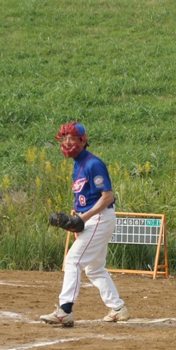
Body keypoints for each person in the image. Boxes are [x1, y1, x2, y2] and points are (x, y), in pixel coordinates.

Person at [41, 121, 130, 327]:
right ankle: (118, 308)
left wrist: (84, 218)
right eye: (64, 139)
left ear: (83, 140)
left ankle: (65, 310)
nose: (68, 142)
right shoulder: (77, 165)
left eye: (72, 138)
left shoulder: (93, 164)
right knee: (94, 269)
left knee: (73, 261)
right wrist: (77, 221)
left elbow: (107, 197)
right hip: (92, 220)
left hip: (99, 218)